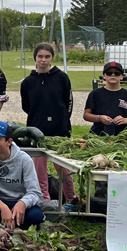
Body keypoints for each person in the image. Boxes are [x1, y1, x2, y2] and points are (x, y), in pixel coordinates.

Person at [21, 43, 76, 203]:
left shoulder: (62, 78)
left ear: (52, 57)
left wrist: (63, 122)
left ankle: (71, 199)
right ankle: (44, 198)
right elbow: (27, 106)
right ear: (35, 58)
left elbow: (68, 103)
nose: (43, 60)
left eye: (47, 56)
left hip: (60, 130)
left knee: (64, 168)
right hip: (37, 132)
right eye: (40, 56)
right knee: (39, 169)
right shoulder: (28, 82)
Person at [0, 121, 44, 229]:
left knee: (35, 216)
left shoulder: (24, 159)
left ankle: (12, 224)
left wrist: (22, 203)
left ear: (9, 142)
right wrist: (2, 207)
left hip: (16, 203)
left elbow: (35, 193)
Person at [83, 61, 127, 137]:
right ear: (104, 76)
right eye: (109, 73)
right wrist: (99, 118)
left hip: (121, 136)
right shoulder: (95, 94)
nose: (113, 75)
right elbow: (86, 115)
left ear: (121, 76)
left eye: (117, 73)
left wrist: (125, 120)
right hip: (97, 134)